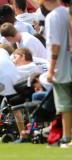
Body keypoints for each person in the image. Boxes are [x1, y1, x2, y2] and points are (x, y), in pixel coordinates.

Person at [40, 0, 72, 148]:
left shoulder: (52, 17)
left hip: (62, 66)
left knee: (65, 104)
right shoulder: (67, 12)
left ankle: (66, 137)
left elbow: (55, 45)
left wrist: (51, 69)